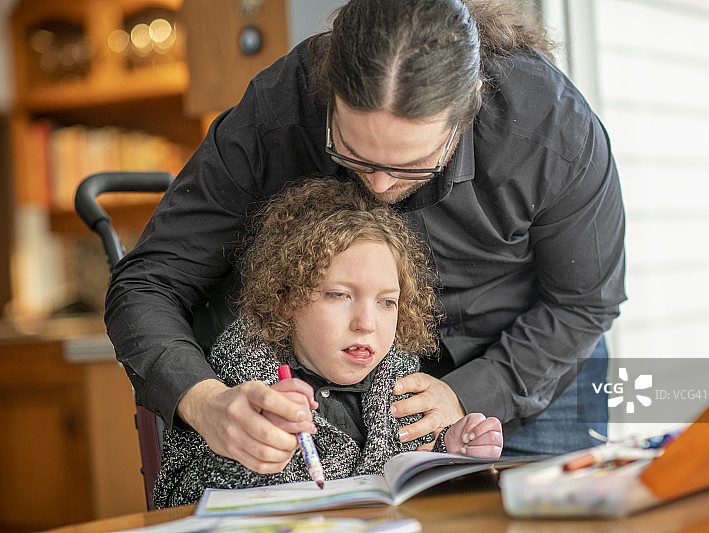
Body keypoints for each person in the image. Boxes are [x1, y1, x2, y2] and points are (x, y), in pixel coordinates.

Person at [106, 0, 625, 469]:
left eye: (414, 164)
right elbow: (147, 284)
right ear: (326, 93)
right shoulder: (276, 112)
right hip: (352, 408)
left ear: (469, 109)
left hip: (531, 371)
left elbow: (583, 303)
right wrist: (204, 400)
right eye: (353, 154)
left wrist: (472, 392)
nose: (378, 186)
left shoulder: (552, 131)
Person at [152, 178, 503, 508]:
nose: (366, 324)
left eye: (386, 302)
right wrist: (249, 448)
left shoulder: (398, 377)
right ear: (287, 297)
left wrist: (448, 452)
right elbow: (177, 497)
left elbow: (409, 474)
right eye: (338, 295)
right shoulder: (240, 377)